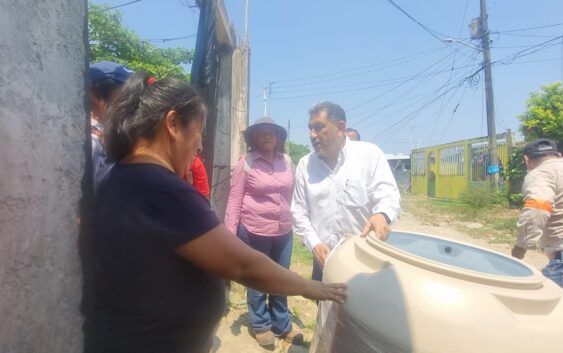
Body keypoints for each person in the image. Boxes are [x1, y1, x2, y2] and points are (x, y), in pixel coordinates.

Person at [82, 73, 346, 353]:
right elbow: (244, 266)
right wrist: (313, 288)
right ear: (173, 124)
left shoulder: (122, 177)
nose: (199, 146)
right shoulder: (161, 189)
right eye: (199, 133)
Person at [292, 101, 401, 281]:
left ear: (340, 127)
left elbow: (388, 195)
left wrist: (382, 215)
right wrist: (315, 244)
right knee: (324, 307)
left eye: (319, 127)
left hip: (364, 260)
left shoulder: (369, 155)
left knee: (361, 308)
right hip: (324, 259)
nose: (312, 135)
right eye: (310, 128)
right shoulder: (306, 165)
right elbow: (298, 212)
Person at [224, 117, 301, 347]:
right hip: (254, 230)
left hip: (283, 230)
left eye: (272, 132)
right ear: (254, 138)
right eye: (262, 132)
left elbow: (293, 195)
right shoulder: (246, 162)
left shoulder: (286, 161)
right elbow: (234, 200)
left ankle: (282, 324)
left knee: (280, 277)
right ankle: (261, 325)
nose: (267, 136)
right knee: (258, 279)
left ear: (279, 138)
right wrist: (230, 236)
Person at [511, 138, 563, 287]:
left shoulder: (541, 173)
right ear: (557, 154)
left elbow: (538, 208)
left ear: (526, 159)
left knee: (546, 306)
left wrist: (521, 246)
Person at [88, 61, 133, 191]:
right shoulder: (90, 143)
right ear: (96, 95)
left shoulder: (108, 136)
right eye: (126, 95)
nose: (133, 103)